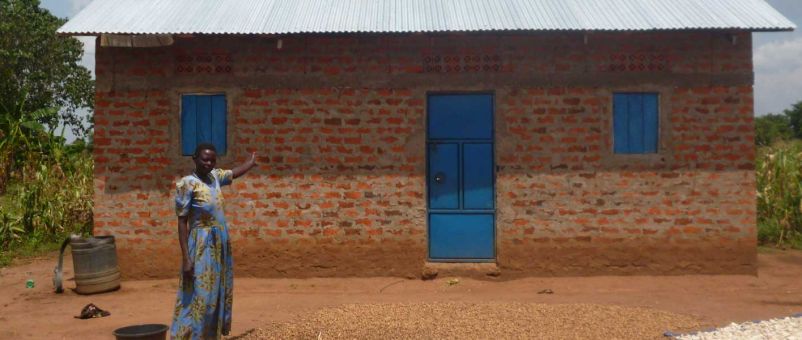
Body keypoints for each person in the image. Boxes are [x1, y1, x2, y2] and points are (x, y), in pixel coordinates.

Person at [170, 143, 257, 339]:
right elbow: (182, 222)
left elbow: (233, 173)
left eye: (212, 160)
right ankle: (188, 335)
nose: (209, 163)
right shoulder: (187, 184)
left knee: (216, 293)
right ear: (195, 159)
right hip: (200, 245)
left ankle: (210, 335)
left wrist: (250, 163)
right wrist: (186, 257)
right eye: (205, 159)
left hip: (220, 244)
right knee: (200, 293)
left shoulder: (215, 177)